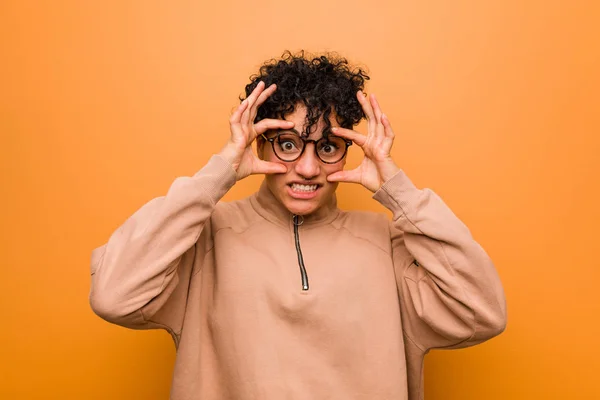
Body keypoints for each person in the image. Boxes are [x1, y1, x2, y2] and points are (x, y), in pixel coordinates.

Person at [89, 51, 507, 400]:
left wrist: (401, 192)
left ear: (349, 150)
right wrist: (217, 174)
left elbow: (483, 313)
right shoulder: (203, 239)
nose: (307, 169)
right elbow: (114, 296)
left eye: (327, 147)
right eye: (287, 145)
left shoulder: (390, 245)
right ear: (258, 141)